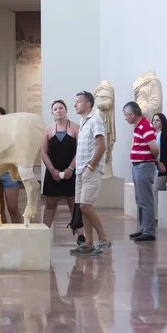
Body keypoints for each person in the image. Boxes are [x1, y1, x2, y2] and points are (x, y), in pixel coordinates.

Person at [72, 91, 111, 255]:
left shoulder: (95, 120)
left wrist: (91, 167)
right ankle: (88, 242)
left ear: (88, 104)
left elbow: (101, 146)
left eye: (78, 102)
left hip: (90, 170)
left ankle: (104, 239)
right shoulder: (83, 122)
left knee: (86, 206)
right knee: (82, 208)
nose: (75, 104)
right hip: (81, 171)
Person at [41, 100, 82, 238]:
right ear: (52, 113)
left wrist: (71, 168)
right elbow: (43, 152)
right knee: (50, 204)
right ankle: (44, 236)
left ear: (66, 110)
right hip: (52, 172)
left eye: (61, 108)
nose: (58, 110)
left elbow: (80, 151)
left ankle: (81, 237)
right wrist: (52, 170)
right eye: (55, 109)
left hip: (72, 171)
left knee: (73, 204)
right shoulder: (48, 130)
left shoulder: (76, 128)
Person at [123, 101, 159, 242]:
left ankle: (149, 231)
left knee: (146, 200)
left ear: (132, 114)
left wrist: (151, 160)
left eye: (126, 115)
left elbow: (155, 148)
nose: (125, 118)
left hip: (144, 166)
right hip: (139, 166)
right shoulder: (138, 127)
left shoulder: (145, 126)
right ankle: (144, 229)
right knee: (140, 199)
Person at [0, 107, 23, 224]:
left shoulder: (11, 133)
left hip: (9, 173)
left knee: (12, 207)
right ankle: (3, 236)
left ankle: (18, 234)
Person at [152, 113, 167, 219]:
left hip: (164, 167)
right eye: (153, 120)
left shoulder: (166, 133)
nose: (155, 122)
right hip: (154, 167)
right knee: (158, 189)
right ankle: (161, 214)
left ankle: (157, 216)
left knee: (157, 189)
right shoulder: (152, 134)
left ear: (162, 121)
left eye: (157, 120)